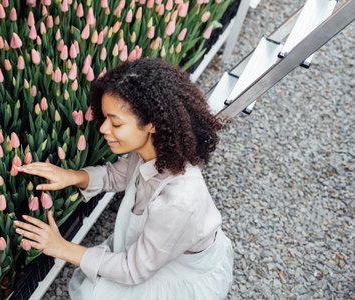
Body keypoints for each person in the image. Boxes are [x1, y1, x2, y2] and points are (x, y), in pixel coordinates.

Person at [14, 58, 234, 299]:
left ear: (152, 124)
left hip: (183, 272)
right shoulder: (155, 152)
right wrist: (71, 176)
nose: (103, 129)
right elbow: (116, 175)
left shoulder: (179, 200)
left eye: (116, 123)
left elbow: (132, 270)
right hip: (158, 248)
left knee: (96, 292)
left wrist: (60, 247)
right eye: (106, 118)